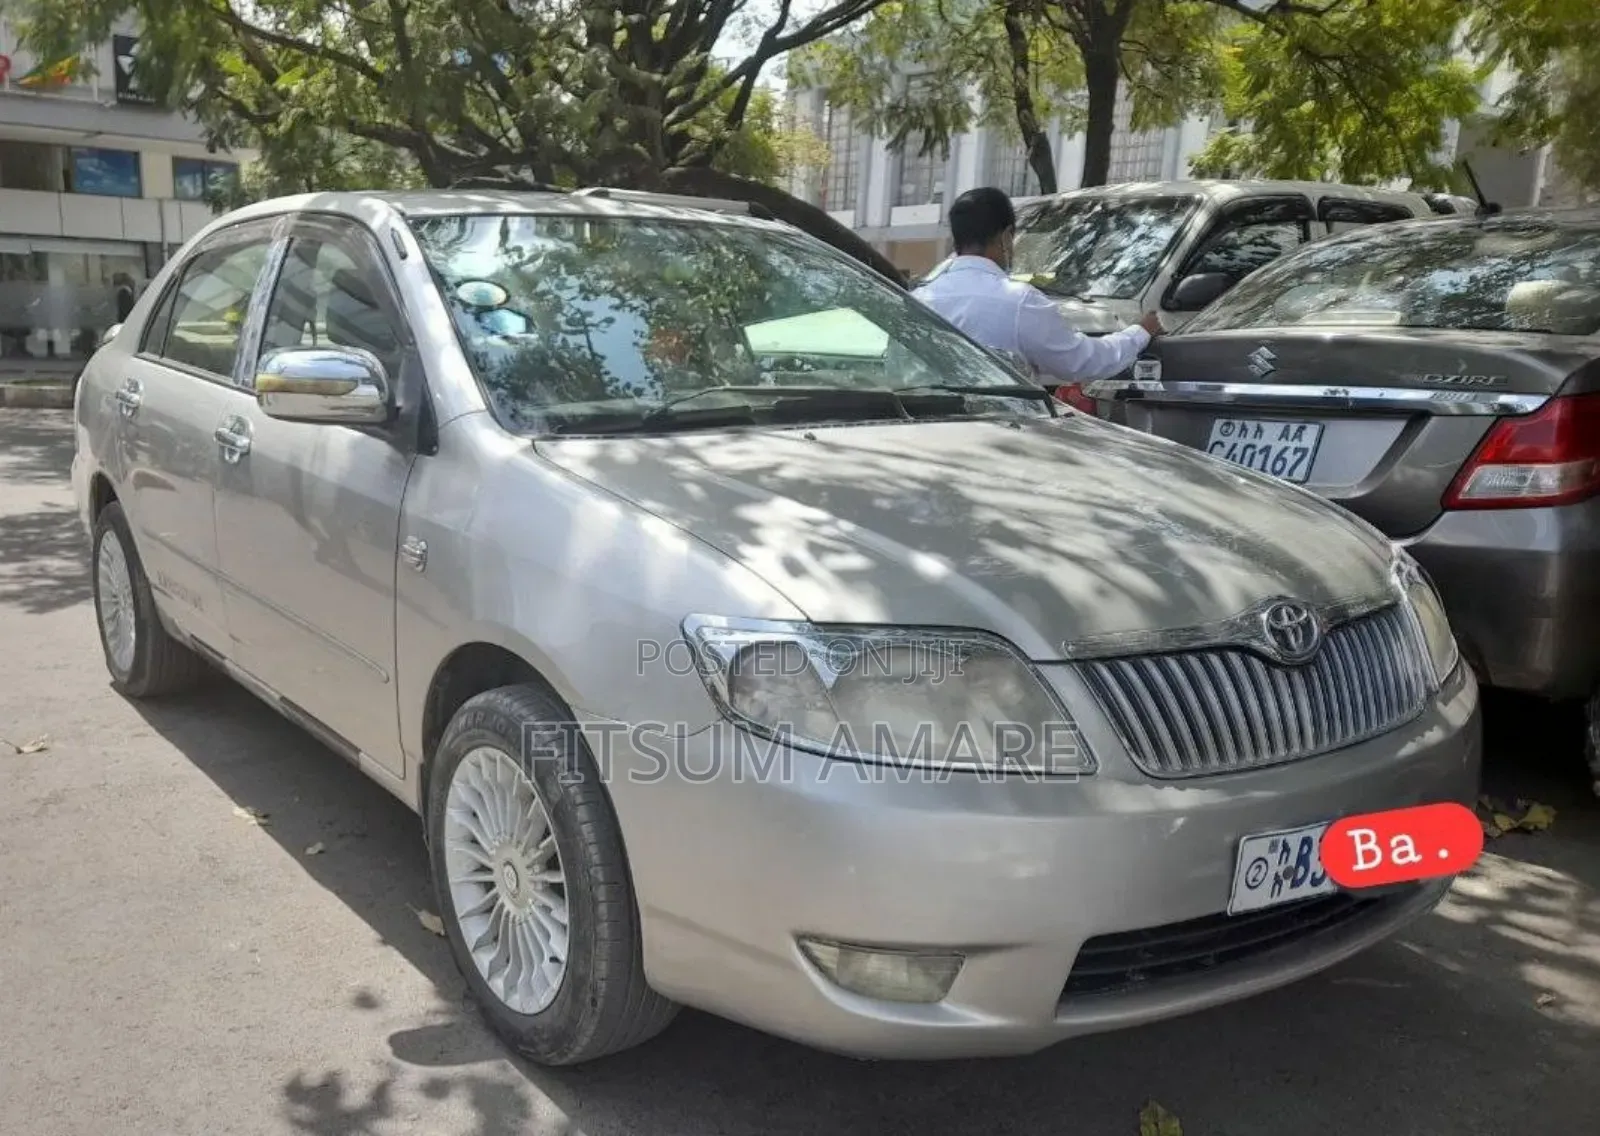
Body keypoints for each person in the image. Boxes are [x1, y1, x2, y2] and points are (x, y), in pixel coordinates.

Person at [912, 186, 1162, 385]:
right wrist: (1140, 333)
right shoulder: (1019, 301)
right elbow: (1081, 361)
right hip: (1005, 429)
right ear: (1006, 237)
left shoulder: (918, 299)